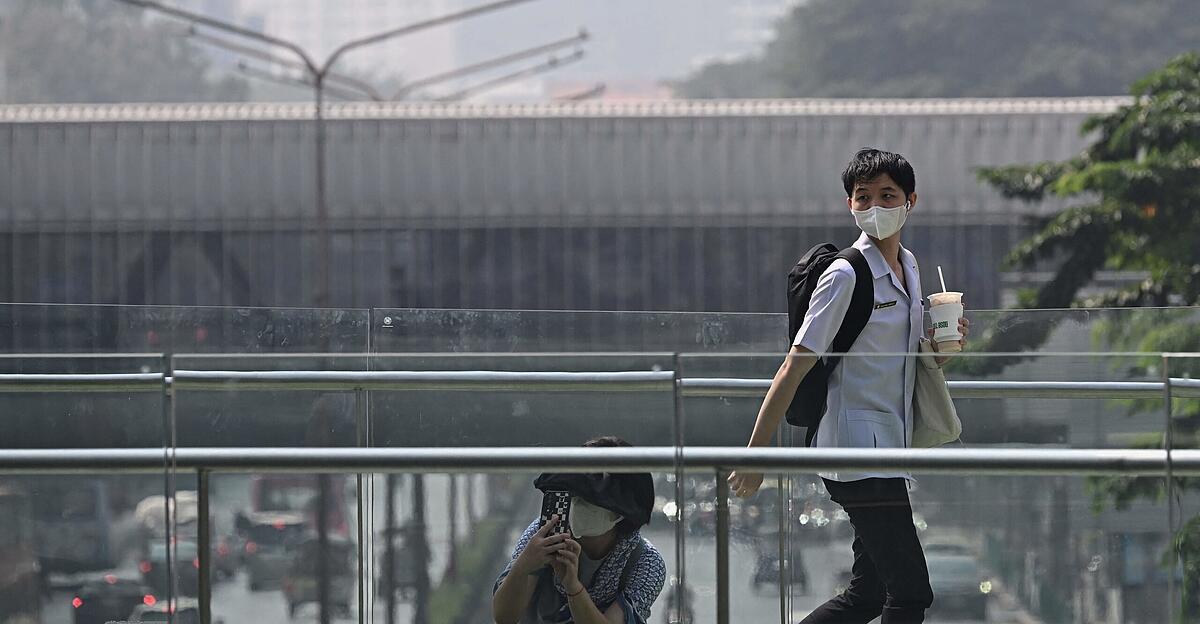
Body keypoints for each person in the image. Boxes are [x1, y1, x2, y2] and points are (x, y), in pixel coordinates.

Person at [727, 148, 970, 624]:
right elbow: (794, 366)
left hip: (890, 448)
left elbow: (912, 354)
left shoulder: (910, 267)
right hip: (854, 450)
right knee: (910, 593)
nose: (875, 206)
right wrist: (756, 455)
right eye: (864, 197)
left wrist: (946, 343)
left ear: (910, 200)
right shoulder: (845, 274)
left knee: (867, 594)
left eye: (887, 195)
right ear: (850, 205)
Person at [492, 436, 667, 624]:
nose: (575, 504)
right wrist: (523, 565)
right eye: (572, 494)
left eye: (589, 500)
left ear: (620, 514)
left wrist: (572, 586)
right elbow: (504, 617)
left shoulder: (646, 563)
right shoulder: (545, 535)